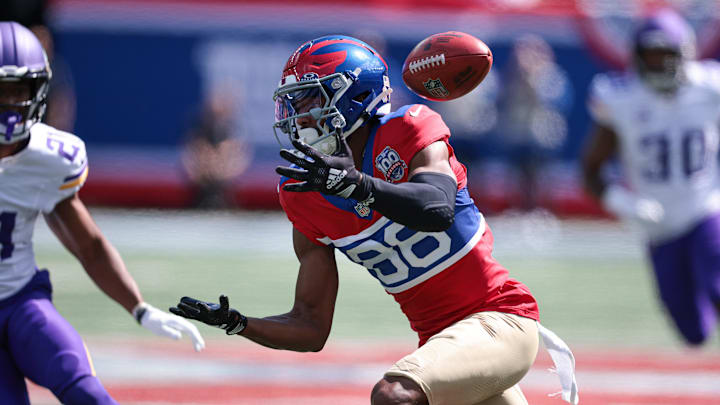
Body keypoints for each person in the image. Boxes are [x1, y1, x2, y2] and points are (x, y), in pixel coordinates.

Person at [172, 35, 578, 405]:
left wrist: (358, 186)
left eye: (310, 100)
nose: (298, 114)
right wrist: (239, 323)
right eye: (293, 103)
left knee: (393, 395)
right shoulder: (306, 197)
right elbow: (310, 326)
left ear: (354, 96)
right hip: (446, 345)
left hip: (499, 318)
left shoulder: (408, 128)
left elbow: (436, 207)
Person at [0, 22, 205, 405]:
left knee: (85, 389)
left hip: (21, 302)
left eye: (18, 90)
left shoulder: (47, 157)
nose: (10, 102)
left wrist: (138, 307)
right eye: (1, 90)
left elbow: (89, 245)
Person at [582, 9, 720, 346]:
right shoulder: (620, 98)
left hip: (705, 207)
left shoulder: (711, 87)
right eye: (651, 55)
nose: (658, 63)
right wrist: (624, 202)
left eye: (665, 54)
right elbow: (590, 170)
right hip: (657, 225)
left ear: (684, 53)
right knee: (693, 332)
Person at [180, 89, 249, 209]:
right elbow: (189, 158)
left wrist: (222, 170)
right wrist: (203, 169)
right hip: (199, 191)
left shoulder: (232, 132)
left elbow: (239, 158)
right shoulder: (200, 129)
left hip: (224, 191)